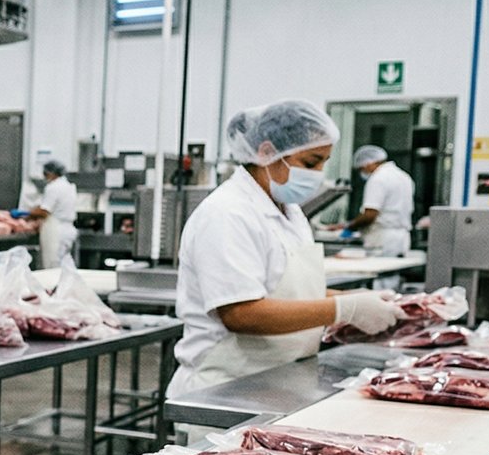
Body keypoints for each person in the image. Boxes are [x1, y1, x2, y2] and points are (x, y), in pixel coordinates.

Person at [168, 100, 406, 397]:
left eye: (323, 162)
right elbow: (240, 313)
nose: (318, 173)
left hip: (279, 377)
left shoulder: (290, 212)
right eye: (310, 162)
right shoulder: (228, 213)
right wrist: (344, 309)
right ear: (267, 152)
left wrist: (357, 299)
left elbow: (288, 290)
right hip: (224, 386)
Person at [336, 144, 415, 290]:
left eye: (361, 168)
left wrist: (349, 227)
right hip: (401, 237)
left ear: (369, 163)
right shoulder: (403, 176)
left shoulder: (378, 179)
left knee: (379, 284)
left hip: (382, 238)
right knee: (392, 280)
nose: (362, 172)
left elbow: (370, 214)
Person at [26, 159, 79, 269]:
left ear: (51, 173)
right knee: (64, 264)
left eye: (45, 173)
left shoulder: (53, 187)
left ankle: (54, 286)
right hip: (68, 229)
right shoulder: (69, 186)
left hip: (56, 231)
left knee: (53, 264)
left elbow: (45, 211)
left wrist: (27, 214)